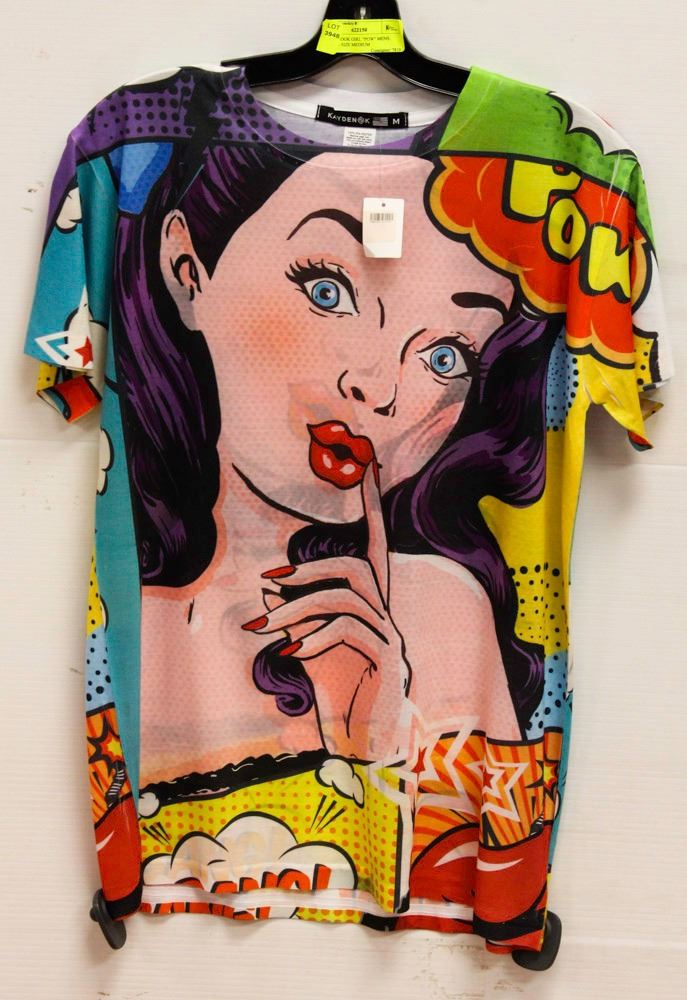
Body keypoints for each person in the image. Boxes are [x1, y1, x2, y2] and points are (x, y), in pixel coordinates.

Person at [113, 142, 560, 779]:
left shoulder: (440, 611)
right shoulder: (125, 612)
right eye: (327, 291)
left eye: (446, 357)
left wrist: (377, 737)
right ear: (188, 269)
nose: (378, 390)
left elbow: (498, 829)